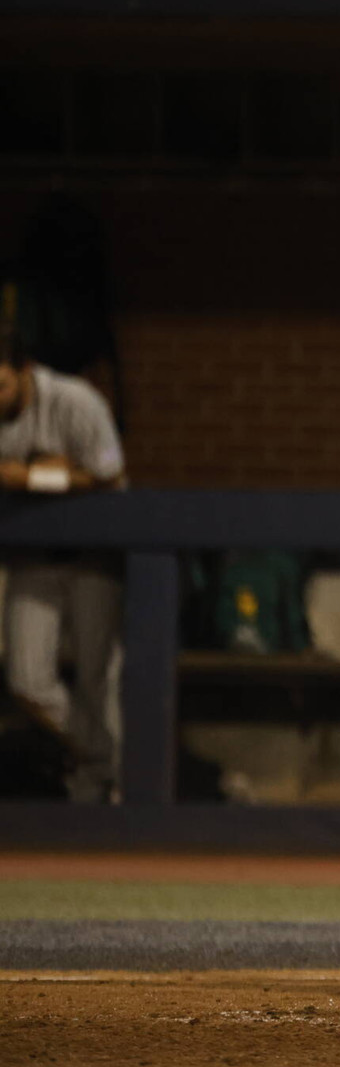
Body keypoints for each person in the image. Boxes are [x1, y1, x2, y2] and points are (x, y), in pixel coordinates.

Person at [0, 324, 126, 802]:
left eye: (2, 385)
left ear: (25, 370)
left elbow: (110, 472)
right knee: (27, 680)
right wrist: (55, 470)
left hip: (93, 557)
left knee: (99, 677)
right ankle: (102, 757)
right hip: (32, 558)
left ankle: (112, 792)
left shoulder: (77, 401)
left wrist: (34, 477)